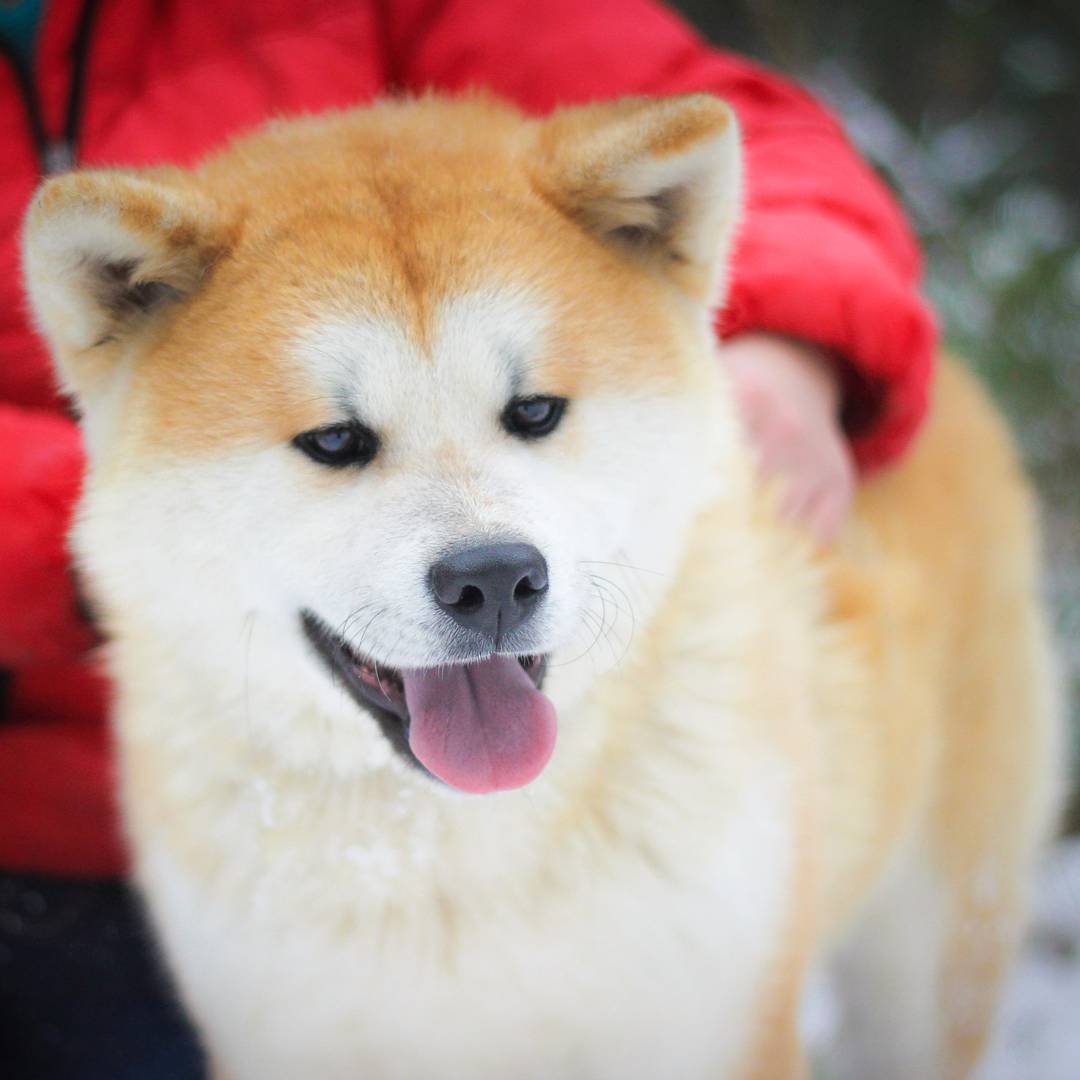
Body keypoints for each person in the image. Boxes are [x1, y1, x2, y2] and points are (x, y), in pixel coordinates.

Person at [0, 0, 936, 1073]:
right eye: (341, 442)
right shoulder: (144, 287)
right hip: (70, 811)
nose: (479, 546)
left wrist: (786, 337)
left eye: (530, 416)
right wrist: (67, 535)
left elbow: (732, 129)